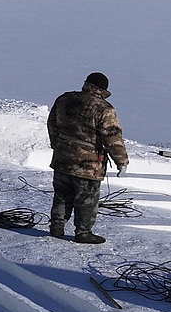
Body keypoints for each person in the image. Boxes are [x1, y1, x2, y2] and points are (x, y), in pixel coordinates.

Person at [47, 71, 129, 244]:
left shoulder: (64, 99)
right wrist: (121, 161)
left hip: (62, 158)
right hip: (88, 164)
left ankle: (56, 227)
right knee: (86, 199)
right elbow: (112, 138)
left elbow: (52, 124)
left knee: (62, 194)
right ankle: (83, 233)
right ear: (103, 89)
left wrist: (58, 145)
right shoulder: (104, 109)